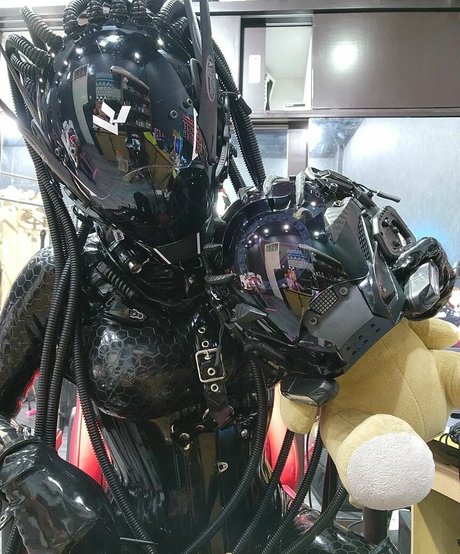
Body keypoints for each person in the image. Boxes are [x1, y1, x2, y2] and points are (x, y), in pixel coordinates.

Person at [0, 2, 454, 553]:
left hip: (267, 527)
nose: (151, 171)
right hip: (118, 539)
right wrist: (24, 469)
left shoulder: (261, 252)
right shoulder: (64, 279)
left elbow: (367, 366)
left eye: (167, 139)